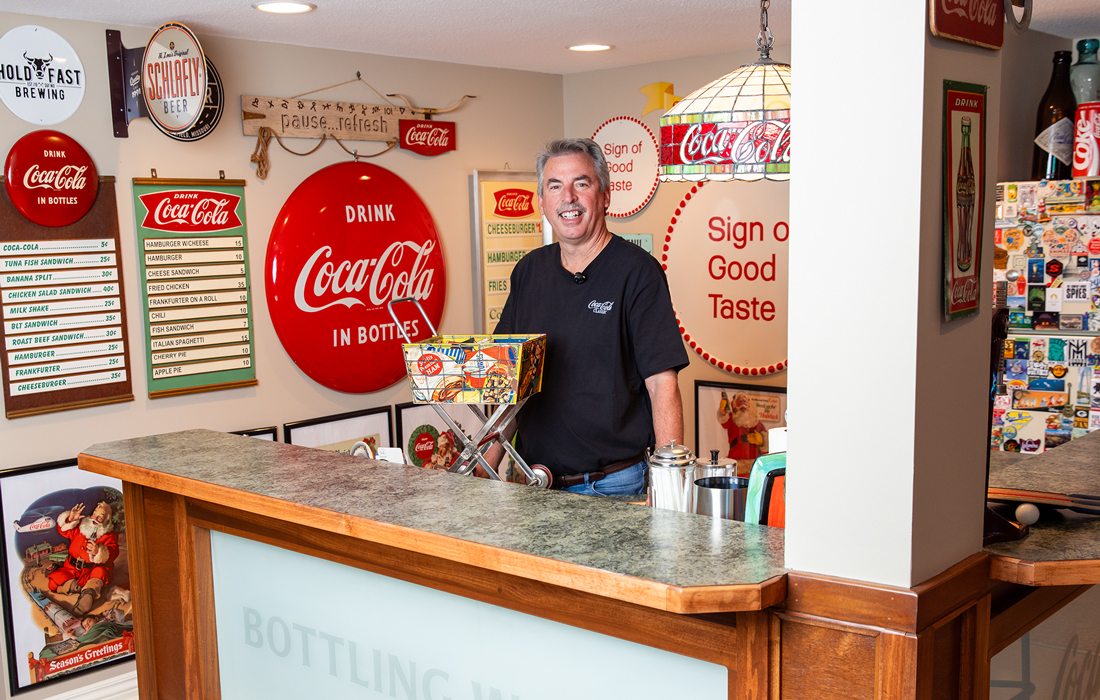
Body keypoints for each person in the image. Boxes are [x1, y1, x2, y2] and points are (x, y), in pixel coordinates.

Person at [492, 138, 688, 496]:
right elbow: (510, 381)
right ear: (542, 202)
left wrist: (670, 487)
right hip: (532, 485)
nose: (568, 197)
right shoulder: (529, 272)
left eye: (581, 183)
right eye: (555, 186)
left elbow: (662, 384)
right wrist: (483, 461)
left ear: (605, 196)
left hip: (613, 486)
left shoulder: (637, 272)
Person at [46, 501, 119, 615]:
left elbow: (114, 551)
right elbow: (64, 531)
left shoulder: (108, 535)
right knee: (54, 581)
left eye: (101, 516)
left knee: (100, 573)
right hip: (72, 568)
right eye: (95, 513)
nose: (96, 517)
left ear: (106, 520)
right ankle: (76, 587)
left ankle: (88, 594)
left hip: (91, 570)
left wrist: (98, 551)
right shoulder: (81, 527)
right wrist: (70, 519)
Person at [717, 391, 769, 473]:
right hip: (737, 464)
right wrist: (723, 411)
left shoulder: (757, 424)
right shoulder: (732, 421)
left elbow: (767, 446)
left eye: (745, 401)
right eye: (740, 402)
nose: (743, 405)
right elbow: (724, 420)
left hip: (755, 465)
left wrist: (762, 440)